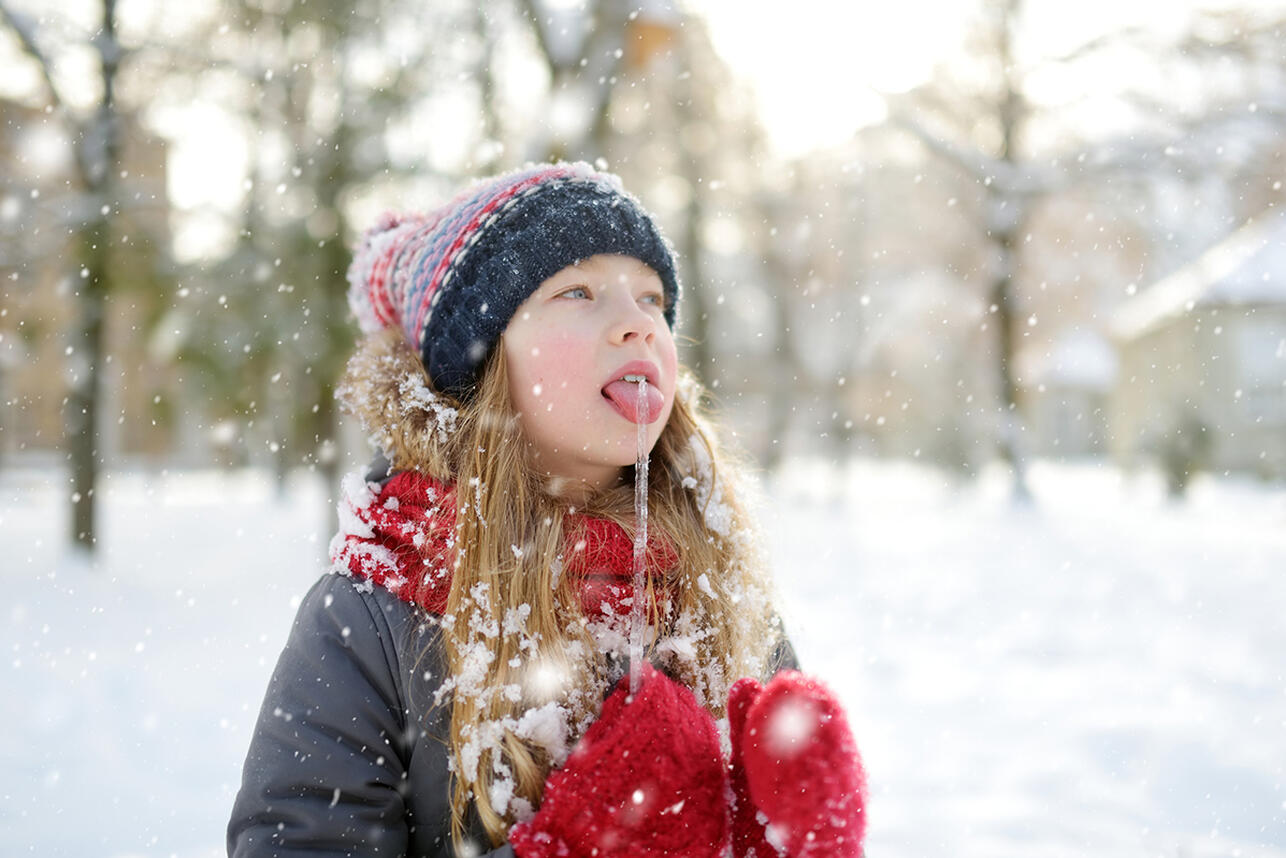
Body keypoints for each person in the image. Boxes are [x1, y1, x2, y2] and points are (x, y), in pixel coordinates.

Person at [227, 162, 867, 858]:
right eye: (578, 292)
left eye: (652, 298)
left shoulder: (719, 584)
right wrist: (573, 847)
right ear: (480, 360)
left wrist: (785, 842)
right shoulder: (373, 617)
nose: (638, 324)